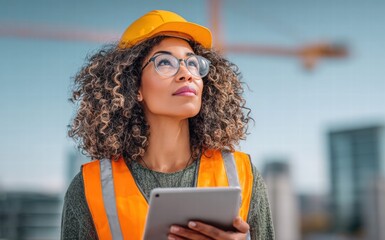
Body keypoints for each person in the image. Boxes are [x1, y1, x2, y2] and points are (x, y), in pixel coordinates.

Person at [61, 9, 274, 240]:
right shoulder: (89, 188)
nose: (186, 73)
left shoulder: (244, 175)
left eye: (192, 63)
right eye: (164, 62)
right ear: (134, 87)